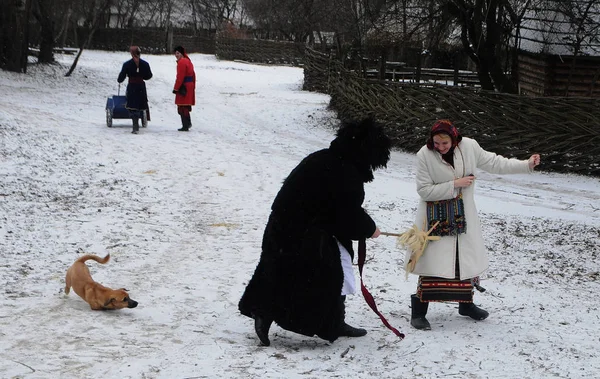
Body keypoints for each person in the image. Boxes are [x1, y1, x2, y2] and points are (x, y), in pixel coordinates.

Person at [238, 118, 391, 346]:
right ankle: (314, 320)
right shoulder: (344, 171)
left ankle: (273, 313)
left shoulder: (323, 158)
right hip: (304, 232)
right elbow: (346, 212)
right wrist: (370, 229)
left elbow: (334, 207)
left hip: (282, 226)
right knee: (325, 276)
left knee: (281, 271)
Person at [406, 119, 541, 330]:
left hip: (463, 217)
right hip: (435, 219)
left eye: (445, 143)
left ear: (454, 139)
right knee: (433, 265)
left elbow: (496, 163)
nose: (440, 148)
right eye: (436, 143)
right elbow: (424, 190)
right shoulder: (424, 154)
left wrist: (526, 164)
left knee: (464, 262)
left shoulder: (469, 146)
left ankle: (466, 305)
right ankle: (419, 312)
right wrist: (455, 184)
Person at [117, 46, 152, 134]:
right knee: (139, 105)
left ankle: (135, 126)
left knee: (133, 106)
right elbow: (149, 76)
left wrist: (120, 80)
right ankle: (137, 125)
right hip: (141, 86)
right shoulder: (145, 64)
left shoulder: (127, 64)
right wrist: (141, 76)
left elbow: (121, 77)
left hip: (132, 86)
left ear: (132, 53)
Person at [172, 46, 196, 132]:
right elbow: (193, 74)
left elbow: (180, 77)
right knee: (185, 105)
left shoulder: (181, 62)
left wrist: (176, 88)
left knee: (182, 105)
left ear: (182, 53)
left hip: (184, 86)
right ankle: (187, 123)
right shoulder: (188, 61)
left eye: (178, 53)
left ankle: (185, 124)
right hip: (189, 85)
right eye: (175, 53)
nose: (176, 55)